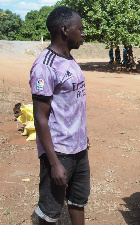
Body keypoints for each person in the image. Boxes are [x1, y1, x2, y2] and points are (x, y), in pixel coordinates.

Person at [29, 6, 90, 225]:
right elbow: (40, 118)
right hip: (58, 152)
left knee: (78, 201)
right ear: (65, 30)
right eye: (80, 29)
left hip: (79, 148)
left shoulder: (70, 60)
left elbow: (72, 105)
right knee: (50, 211)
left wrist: (82, 136)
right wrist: (53, 163)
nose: (83, 33)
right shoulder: (45, 67)